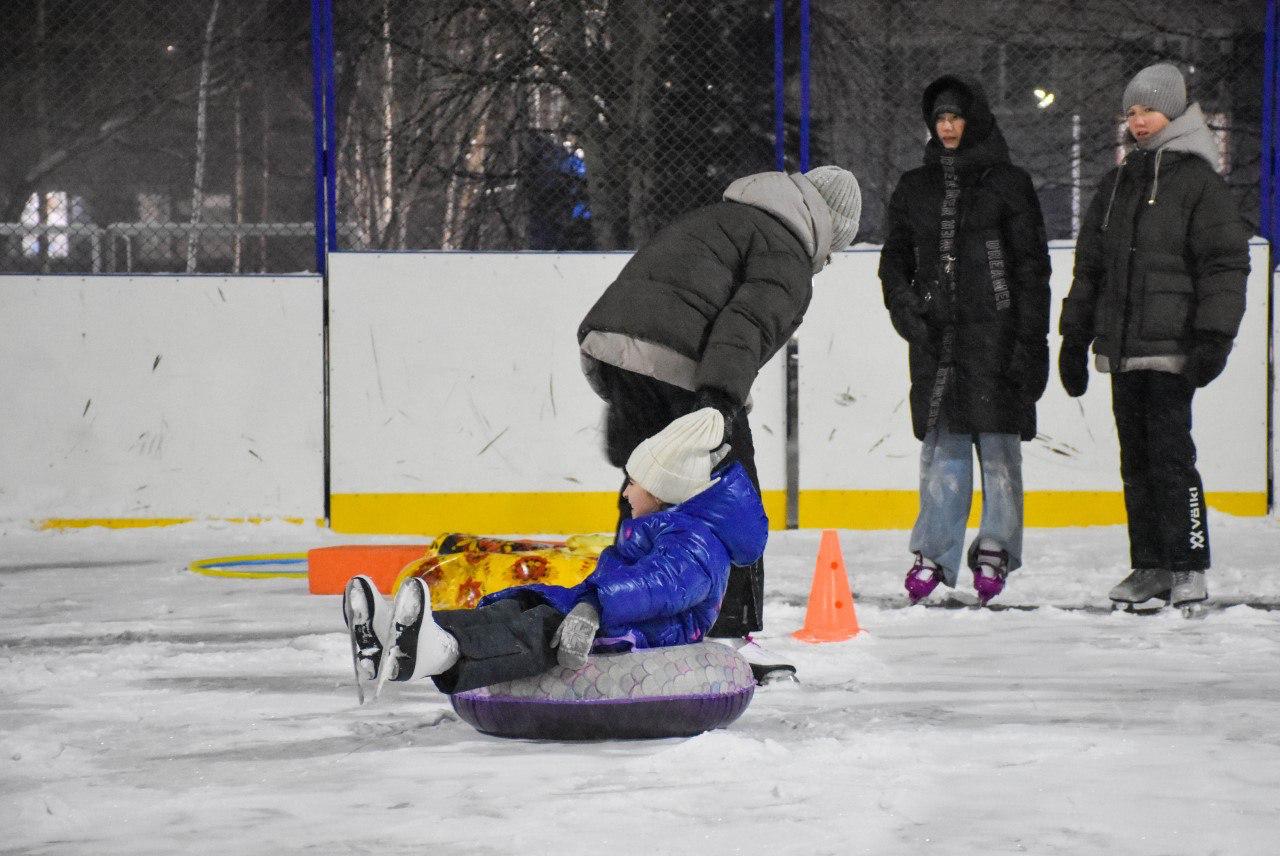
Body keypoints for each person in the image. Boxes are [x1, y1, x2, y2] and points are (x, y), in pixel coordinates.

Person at [577, 164, 861, 679]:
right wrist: (719, 401)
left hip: (614, 346)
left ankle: (618, 620)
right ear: (828, 227)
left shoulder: (729, 217)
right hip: (681, 363)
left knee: (647, 490)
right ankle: (727, 638)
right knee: (733, 499)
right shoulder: (787, 251)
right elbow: (744, 324)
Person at [342, 407, 769, 694]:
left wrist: (595, 606)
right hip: (612, 615)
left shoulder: (695, 543)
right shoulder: (670, 528)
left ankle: (438, 651)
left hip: (640, 633)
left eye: (633, 483)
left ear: (661, 491)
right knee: (515, 608)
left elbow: (660, 585)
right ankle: (389, 642)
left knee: (535, 630)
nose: (625, 492)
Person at [1058, 63, 1249, 612]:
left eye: (1150, 110)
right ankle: (1151, 566)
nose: (1139, 121)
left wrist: (1214, 335)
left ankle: (1189, 564)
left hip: (1172, 348)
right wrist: (1075, 336)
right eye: (1133, 112)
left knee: (1170, 458)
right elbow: (1091, 265)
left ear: (1176, 112)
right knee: (1135, 461)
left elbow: (1224, 266)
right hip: (1123, 350)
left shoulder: (1198, 181)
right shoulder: (1120, 182)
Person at [878, 74, 1052, 606]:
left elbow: (1031, 269)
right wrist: (908, 310)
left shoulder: (1009, 183)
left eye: (956, 116)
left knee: (999, 455)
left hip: (998, 341)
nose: (948, 127)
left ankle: (997, 548)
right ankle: (933, 553)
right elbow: (895, 263)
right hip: (939, 343)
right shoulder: (914, 187)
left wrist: (1030, 344)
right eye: (940, 119)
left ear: (974, 118)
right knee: (943, 453)